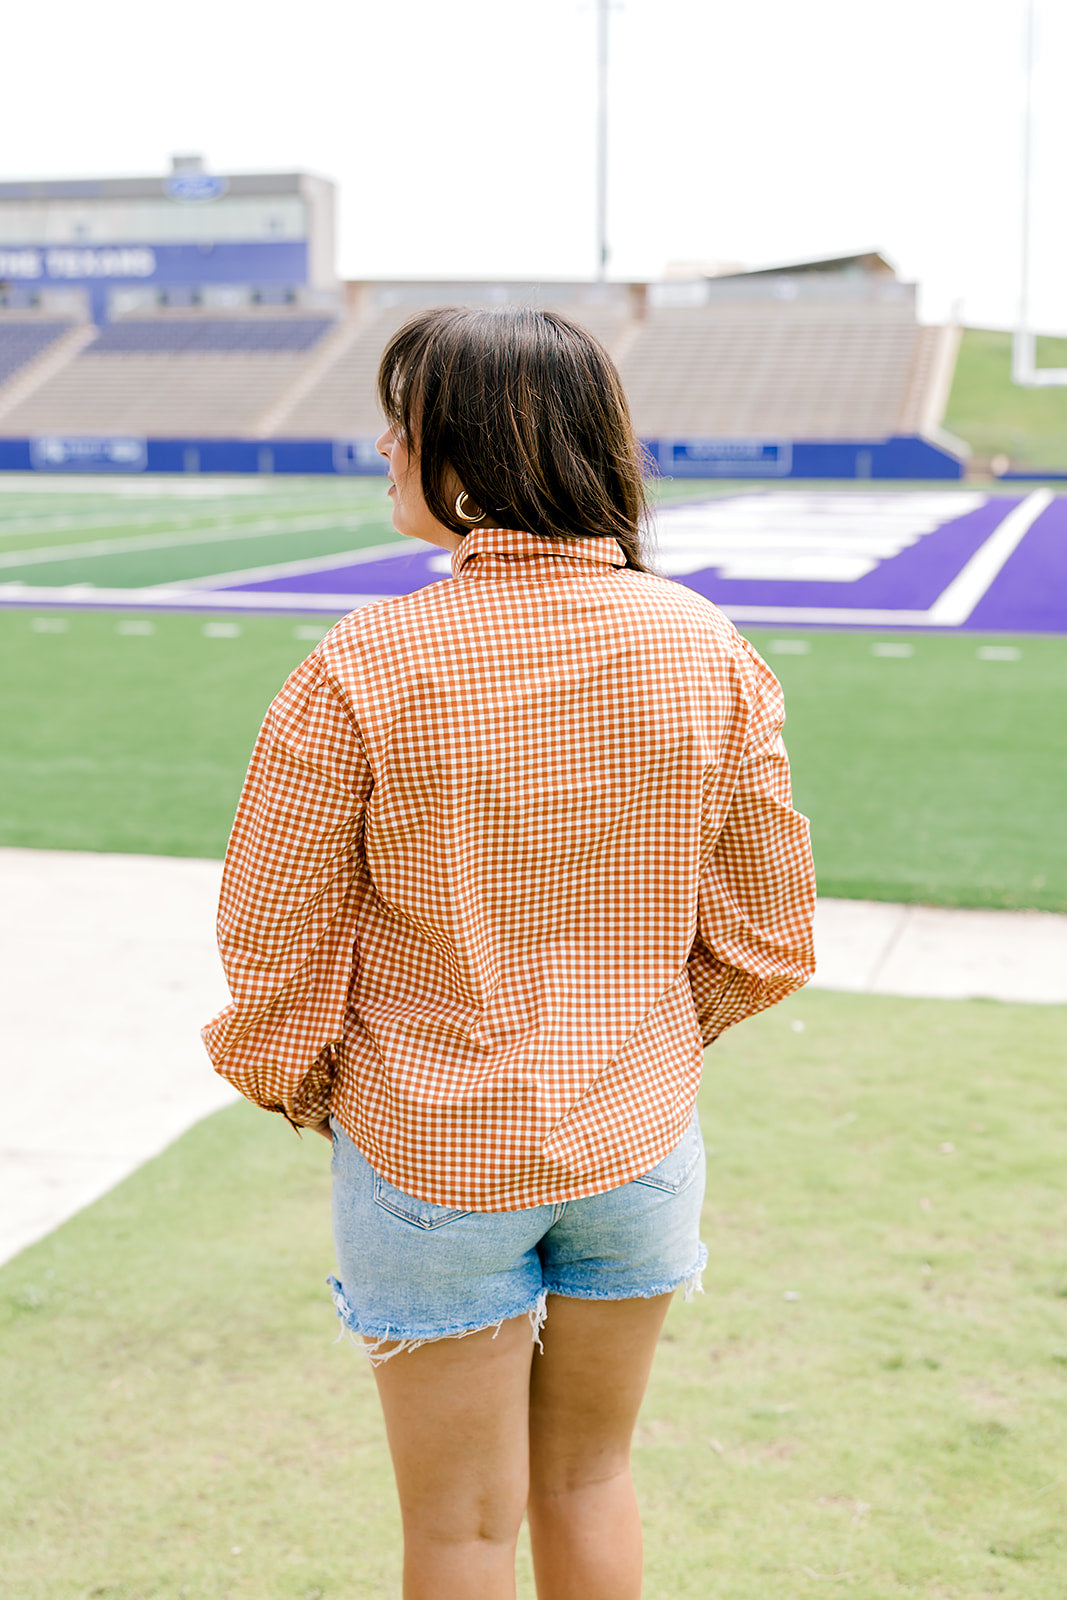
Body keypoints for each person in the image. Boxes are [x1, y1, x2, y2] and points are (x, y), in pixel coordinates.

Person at [203, 305, 816, 1600]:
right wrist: (641, 1034)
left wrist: (317, 1087)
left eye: (403, 422)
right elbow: (768, 935)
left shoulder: (363, 663)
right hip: (636, 1144)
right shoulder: (706, 647)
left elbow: (272, 939)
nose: (379, 446)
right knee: (590, 1481)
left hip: (431, 1150)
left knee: (461, 1533)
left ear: (478, 450)